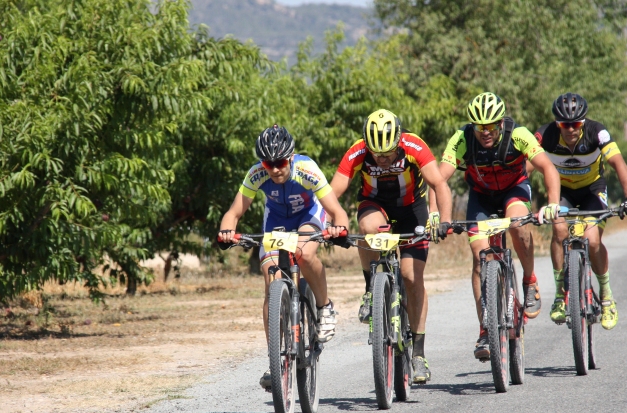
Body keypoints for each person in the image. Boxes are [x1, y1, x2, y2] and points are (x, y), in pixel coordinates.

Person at [218, 125, 350, 390]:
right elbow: (234, 212)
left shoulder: (306, 169)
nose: (275, 169)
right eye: (269, 164)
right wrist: (225, 231)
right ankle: (275, 360)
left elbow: (337, 211)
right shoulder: (256, 174)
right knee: (270, 282)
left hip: (308, 217)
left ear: (290, 158)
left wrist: (338, 227)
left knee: (303, 253)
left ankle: (324, 307)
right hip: (276, 222)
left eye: (279, 162)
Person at [330, 109, 452, 383]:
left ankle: (418, 354)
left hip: (412, 210)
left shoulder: (413, 145)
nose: (383, 159)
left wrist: (443, 220)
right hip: (375, 206)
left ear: (398, 140)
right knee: (367, 230)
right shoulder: (357, 152)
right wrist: (330, 224)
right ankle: (370, 290)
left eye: (388, 153)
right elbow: (332, 192)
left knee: (411, 276)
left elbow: (439, 184)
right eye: (377, 154)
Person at [437, 92, 561, 360]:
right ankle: (485, 328)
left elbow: (548, 168)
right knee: (479, 259)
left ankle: (529, 280)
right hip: (480, 198)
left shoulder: (519, 134)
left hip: (513, 191)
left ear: (501, 122)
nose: (485, 132)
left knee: (517, 225)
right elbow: (439, 177)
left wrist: (551, 204)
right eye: (479, 127)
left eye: (491, 126)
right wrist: (439, 215)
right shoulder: (462, 138)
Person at [534, 92, 627, 331]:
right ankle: (561, 295)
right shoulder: (546, 135)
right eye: (565, 124)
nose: (570, 129)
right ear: (557, 123)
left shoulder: (596, 132)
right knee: (559, 230)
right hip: (563, 192)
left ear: (583, 122)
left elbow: (618, 163)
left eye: (576, 124)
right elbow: (526, 166)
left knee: (592, 242)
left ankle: (606, 296)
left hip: (592, 190)